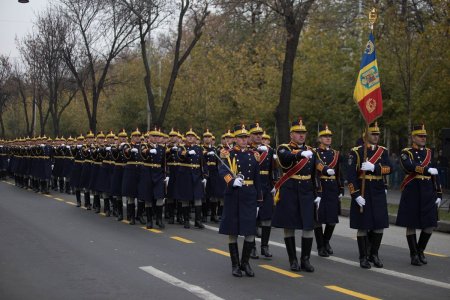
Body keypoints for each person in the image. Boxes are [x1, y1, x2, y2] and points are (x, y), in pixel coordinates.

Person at [272, 117, 327, 272]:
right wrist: (300, 154)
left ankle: (305, 260)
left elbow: (316, 171)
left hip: (306, 190)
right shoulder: (284, 148)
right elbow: (285, 158)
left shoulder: (312, 151)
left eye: (303, 133)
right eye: (298, 132)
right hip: (290, 189)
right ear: (291, 134)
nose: (301, 135)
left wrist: (318, 191)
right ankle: (293, 260)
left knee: (308, 225)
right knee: (289, 226)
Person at [219, 124, 262, 277]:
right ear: (236, 139)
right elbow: (223, 170)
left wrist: (259, 201)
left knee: (250, 231)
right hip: (234, 195)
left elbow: (257, 179)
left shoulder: (254, 155)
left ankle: (245, 263)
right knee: (233, 231)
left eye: (246, 137)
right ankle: (235, 265)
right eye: (241, 138)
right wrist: (231, 181)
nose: (244, 140)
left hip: (249, 195)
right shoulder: (227, 153)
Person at [396, 123, 443, 266]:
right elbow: (408, 166)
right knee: (411, 224)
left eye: (424, 136)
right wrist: (426, 170)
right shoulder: (406, 152)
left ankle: (420, 250)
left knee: (430, 224)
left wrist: (439, 194)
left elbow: (435, 173)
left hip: (428, 191)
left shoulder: (429, 152)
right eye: (420, 136)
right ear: (413, 137)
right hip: (413, 191)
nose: (423, 138)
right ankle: (413, 254)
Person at [347, 122, 392, 269]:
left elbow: (390, 168)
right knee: (363, 226)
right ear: (366, 135)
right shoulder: (357, 151)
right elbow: (351, 176)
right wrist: (355, 195)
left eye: (378, 134)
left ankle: (374, 254)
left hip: (377, 190)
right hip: (363, 190)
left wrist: (375, 168)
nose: (376, 136)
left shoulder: (383, 151)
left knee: (379, 225)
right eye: (373, 134)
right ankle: (363, 257)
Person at [313, 124, 344, 257]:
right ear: (319, 138)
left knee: (332, 219)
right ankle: (320, 246)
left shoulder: (335, 153)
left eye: (330, 136)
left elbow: (339, 173)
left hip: (332, 188)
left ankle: (326, 242)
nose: (328, 138)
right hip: (320, 186)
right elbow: (314, 171)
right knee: (318, 218)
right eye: (325, 136)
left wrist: (341, 188)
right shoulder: (315, 153)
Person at [248, 122, 275, 259]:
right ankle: (251, 247)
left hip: (266, 186)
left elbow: (272, 170)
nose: (259, 136)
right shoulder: (247, 149)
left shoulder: (269, 150)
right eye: (255, 134)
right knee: (253, 218)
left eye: (260, 134)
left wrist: (274, 185)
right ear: (250, 135)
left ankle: (265, 246)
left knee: (267, 218)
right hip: (253, 186)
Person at [173, 128, 207, 229]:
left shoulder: (199, 148)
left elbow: (203, 163)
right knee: (185, 198)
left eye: (192, 136)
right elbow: (179, 156)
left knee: (198, 197)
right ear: (186, 138)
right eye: (188, 136)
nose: (190, 138)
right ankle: (186, 220)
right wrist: (187, 153)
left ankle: (198, 220)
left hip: (196, 175)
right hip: (185, 175)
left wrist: (204, 175)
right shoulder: (181, 147)